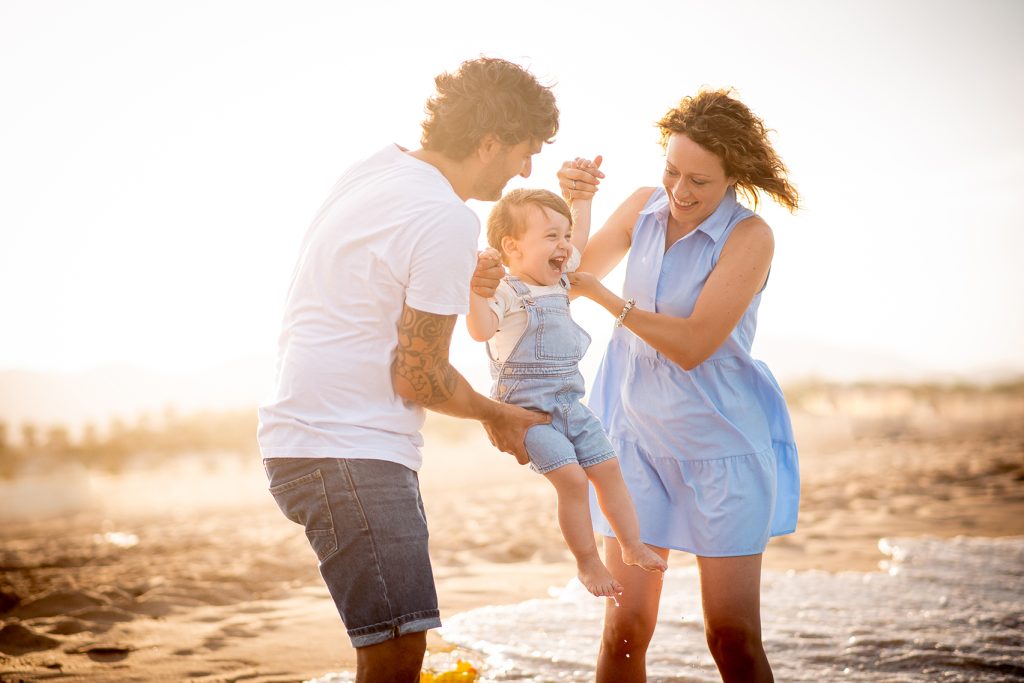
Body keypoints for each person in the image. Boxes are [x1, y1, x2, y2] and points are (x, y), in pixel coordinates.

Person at [256, 57, 558, 683]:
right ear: (489, 142)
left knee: (394, 644)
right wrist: (497, 415)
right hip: (348, 448)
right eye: (525, 152)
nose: (526, 171)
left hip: (314, 440)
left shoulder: (372, 171)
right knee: (396, 653)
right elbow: (417, 376)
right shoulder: (448, 217)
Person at [558, 89, 801, 682]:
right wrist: (577, 204)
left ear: (733, 177)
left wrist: (608, 300)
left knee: (732, 638)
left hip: (722, 450)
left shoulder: (751, 237)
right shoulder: (641, 207)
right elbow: (562, 279)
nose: (680, 191)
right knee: (624, 630)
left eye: (700, 180)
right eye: (672, 170)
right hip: (633, 445)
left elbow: (694, 346)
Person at [466, 186, 667, 598]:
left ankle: (630, 546)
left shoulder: (558, 280)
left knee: (608, 470)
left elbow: (578, 240)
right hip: (527, 416)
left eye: (564, 235)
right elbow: (480, 330)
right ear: (512, 247)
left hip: (570, 405)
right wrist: (475, 292)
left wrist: (583, 201)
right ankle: (588, 564)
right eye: (550, 236)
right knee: (574, 481)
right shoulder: (506, 291)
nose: (564, 246)